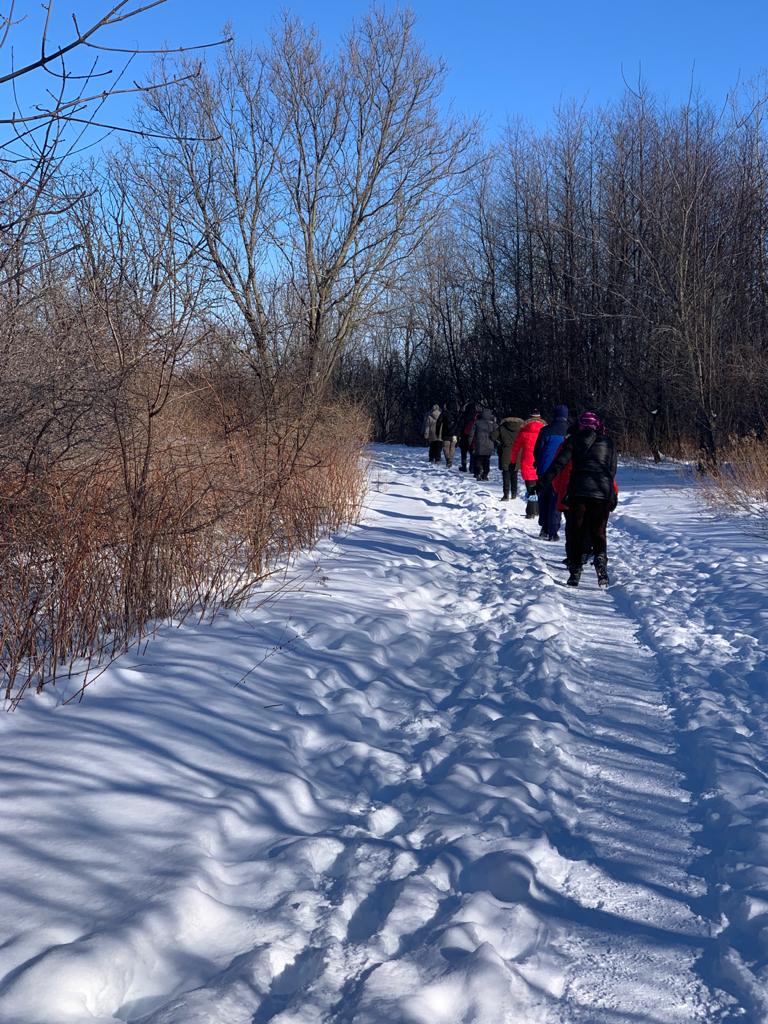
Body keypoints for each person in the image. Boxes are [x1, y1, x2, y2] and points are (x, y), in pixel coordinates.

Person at [539, 411, 617, 587]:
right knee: (599, 531)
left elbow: (558, 464)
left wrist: (542, 483)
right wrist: (610, 493)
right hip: (602, 492)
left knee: (575, 531)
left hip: (578, 491)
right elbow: (611, 471)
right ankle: (600, 562)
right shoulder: (608, 443)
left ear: (580, 425)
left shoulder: (572, 440)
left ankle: (575, 572)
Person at [534, 404, 569, 539]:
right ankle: (553, 532)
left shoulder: (545, 431)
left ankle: (544, 528)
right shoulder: (570, 431)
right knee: (556, 500)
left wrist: (538, 463)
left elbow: (537, 451)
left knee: (543, 498)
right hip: (561, 471)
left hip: (544, 469)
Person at [509, 410, 546, 518]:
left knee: (531, 489)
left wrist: (513, 461)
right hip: (541, 463)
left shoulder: (524, 431)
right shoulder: (545, 430)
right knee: (539, 488)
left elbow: (515, 448)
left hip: (527, 462)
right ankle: (538, 510)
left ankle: (531, 511)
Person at [492, 414, 524, 501]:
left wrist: (500, 442)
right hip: (517, 453)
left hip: (505, 452)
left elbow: (492, 437)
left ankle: (506, 495)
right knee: (514, 473)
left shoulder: (502, 427)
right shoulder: (521, 428)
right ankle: (514, 493)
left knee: (506, 473)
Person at [469, 407, 497, 480]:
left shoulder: (477, 423)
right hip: (489, 445)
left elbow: (471, 434)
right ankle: (485, 474)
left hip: (479, 445)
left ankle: (478, 472)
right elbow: (497, 434)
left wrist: (470, 443)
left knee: (478, 460)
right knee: (487, 460)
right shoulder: (493, 424)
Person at [457, 401, 478, 472]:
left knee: (464, 452)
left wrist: (458, 435)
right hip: (474, 437)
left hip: (464, 436)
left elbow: (460, 426)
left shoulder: (464, 415)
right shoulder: (476, 416)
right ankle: (472, 468)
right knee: (472, 453)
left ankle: (464, 466)